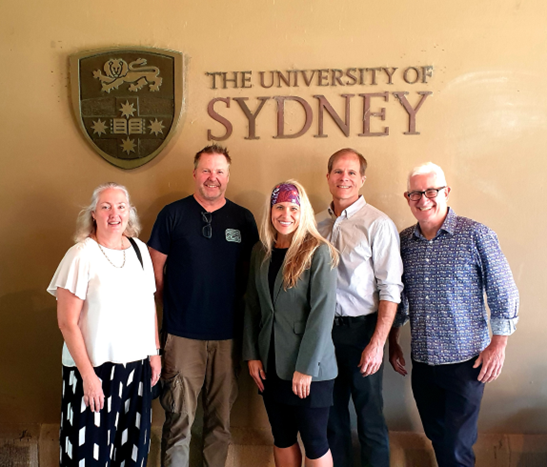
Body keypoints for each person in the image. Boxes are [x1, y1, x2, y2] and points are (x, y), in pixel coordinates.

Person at [389, 162, 519, 467]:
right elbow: (397, 296)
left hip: (467, 362)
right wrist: (393, 340)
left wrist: (498, 345)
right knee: (439, 439)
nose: (423, 200)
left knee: (458, 446)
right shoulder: (404, 242)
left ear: (446, 192)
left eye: (431, 191)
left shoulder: (476, 235)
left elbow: (504, 291)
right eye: (415, 193)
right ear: (407, 197)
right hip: (423, 363)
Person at [148, 144, 259, 467]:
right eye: (207, 170)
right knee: (178, 422)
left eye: (220, 171)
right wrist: (178, 307)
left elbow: (250, 277)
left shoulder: (243, 219)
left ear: (228, 176)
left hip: (227, 337)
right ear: (195, 173)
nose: (213, 178)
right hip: (181, 337)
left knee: (220, 423)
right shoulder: (172, 214)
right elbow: (155, 276)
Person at [47, 182, 161, 466]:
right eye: (106, 206)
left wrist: (154, 352)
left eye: (121, 206)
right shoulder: (80, 255)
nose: (114, 213)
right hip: (93, 371)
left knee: (131, 453)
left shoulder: (139, 251)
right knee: (88, 456)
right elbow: (67, 322)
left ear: (129, 212)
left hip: (135, 370)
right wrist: (88, 376)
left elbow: (148, 305)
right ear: (93, 214)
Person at [316, 148, 403, 467]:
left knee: (370, 418)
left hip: (363, 331)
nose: (344, 178)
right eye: (338, 171)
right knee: (331, 417)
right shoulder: (315, 224)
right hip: (324, 334)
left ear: (362, 179)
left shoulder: (378, 224)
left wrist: (378, 343)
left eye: (352, 173)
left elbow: (390, 288)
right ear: (328, 177)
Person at [243, 180, 339, 467]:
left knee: (315, 441)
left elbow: (322, 315)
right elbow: (252, 305)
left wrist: (305, 368)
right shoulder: (261, 252)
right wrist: (252, 354)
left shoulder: (318, 252)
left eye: (293, 208)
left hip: (310, 369)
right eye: (280, 207)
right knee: (282, 437)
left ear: (303, 212)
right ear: (271, 211)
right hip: (270, 365)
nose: (286, 214)